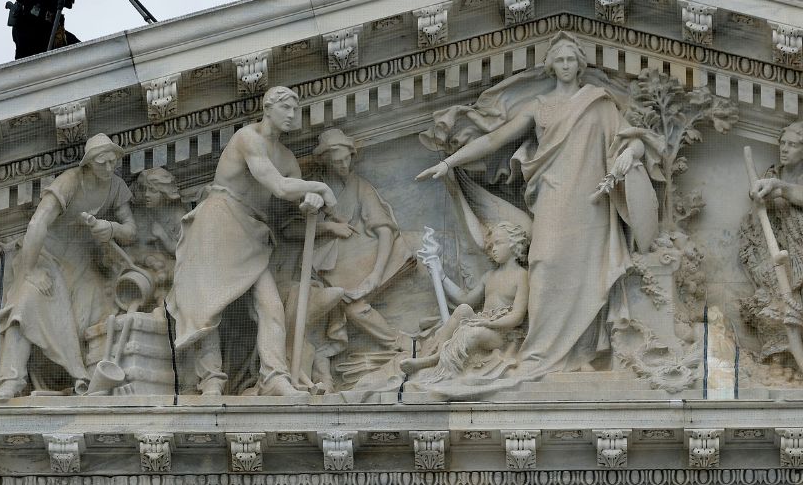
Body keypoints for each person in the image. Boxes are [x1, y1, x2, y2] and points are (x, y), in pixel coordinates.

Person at [416, 31, 660, 381]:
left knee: (588, 272)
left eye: (571, 60)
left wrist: (627, 158)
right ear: (550, 66)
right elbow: (494, 139)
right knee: (544, 264)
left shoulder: (599, 103)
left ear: (580, 65)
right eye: (559, 60)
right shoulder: (539, 106)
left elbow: (632, 142)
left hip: (591, 201)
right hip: (552, 195)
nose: (565, 65)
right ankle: (541, 354)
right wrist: (450, 162)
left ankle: (581, 354)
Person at [166, 86, 337, 397]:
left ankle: (274, 377)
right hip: (219, 219)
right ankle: (212, 381)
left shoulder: (286, 158)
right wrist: (321, 187)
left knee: (270, 306)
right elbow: (280, 186)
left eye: (295, 110)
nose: (292, 116)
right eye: (285, 108)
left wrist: (310, 201)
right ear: (267, 108)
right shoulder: (248, 138)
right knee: (208, 304)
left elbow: (291, 203)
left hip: (252, 232)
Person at [0, 134, 137, 399]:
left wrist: (110, 227)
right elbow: (38, 224)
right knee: (25, 302)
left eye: (112, 162)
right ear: (89, 163)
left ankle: (85, 382)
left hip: (83, 264)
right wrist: (29, 272)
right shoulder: (71, 181)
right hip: (45, 258)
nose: (109, 168)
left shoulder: (116, 186)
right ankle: (11, 380)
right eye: (102, 163)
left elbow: (131, 231)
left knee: (97, 318)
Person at [280, 129, 413, 388]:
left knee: (353, 307)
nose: (344, 165)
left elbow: (384, 229)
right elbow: (289, 228)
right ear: (324, 161)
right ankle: (322, 378)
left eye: (347, 159)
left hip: (356, 265)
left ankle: (403, 344)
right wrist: (328, 227)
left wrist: (376, 273)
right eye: (337, 161)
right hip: (318, 268)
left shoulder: (359, 187)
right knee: (311, 320)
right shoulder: (309, 189)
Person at [402, 222, 530, 383]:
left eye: (498, 243)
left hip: (501, 334)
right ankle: (435, 356)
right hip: (483, 322)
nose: (493, 249)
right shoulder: (489, 276)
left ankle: (442, 362)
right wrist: (442, 276)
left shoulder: (521, 276)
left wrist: (489, 324)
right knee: (463, 309)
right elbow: (464, 299)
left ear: (514, 243)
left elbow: (517, 317)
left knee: (473, 333)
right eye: (490, 246)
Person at [740, 121, 803, 372]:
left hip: (799, 245)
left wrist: (780, 187)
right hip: (777, 249)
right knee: (780, 302)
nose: (785, 149)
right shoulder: (771, 172)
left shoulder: (785, 179)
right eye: (782, 143)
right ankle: (784, 360)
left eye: (793, 145)